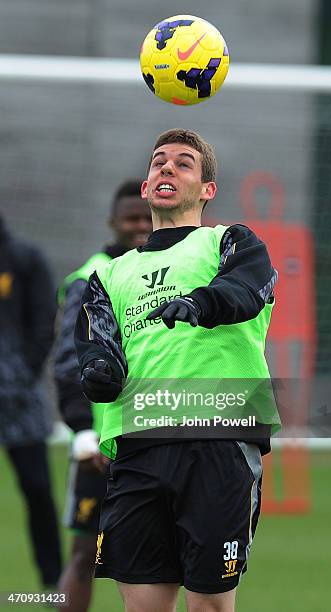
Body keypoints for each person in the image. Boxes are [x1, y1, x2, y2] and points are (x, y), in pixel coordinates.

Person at [74, 129, 281, 612]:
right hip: (139, 447)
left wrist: (199, 302)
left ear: (207, 190)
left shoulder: (230, 242)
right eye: (158, 162)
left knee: (209, 603)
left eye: (183, 163)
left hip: (219, 439)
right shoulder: (108, 274)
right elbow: (95, 341)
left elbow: (249, 289)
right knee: (143, 604)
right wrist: (99, 369)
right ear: (146, 188)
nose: (167, 168)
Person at [54, 180, 152, 612]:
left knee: (152, 559)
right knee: (83, 556)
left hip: (152, 435)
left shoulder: (169, 270)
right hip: (100, 443)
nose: (141, 227)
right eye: (132, 218)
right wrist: (82, 431)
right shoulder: (89, 279)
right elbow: (66, 360)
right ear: (113, 222)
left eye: (147, 217)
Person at [0, 214, 62, 591]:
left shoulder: (23, 258)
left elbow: (44, 322)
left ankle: (52, 584)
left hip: (20, 402)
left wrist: (21, 375)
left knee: (38, 490)